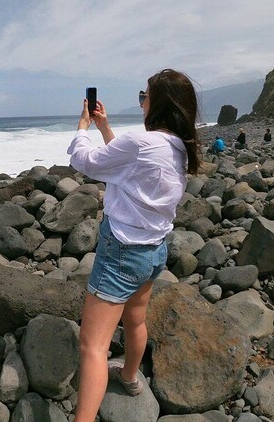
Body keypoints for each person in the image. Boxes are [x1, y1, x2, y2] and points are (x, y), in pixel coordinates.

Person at [66, 69, 200, 422]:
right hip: (154, 250)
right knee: (136, 321)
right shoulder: (180, 148)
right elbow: (129, 168)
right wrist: (106, 129)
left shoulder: (142, 144)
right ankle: (128, 377)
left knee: (92, 346)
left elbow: (87, 163)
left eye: (145, 94)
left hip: (121, 251)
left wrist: (82, 127)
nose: (142, 99)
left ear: (159, 103)